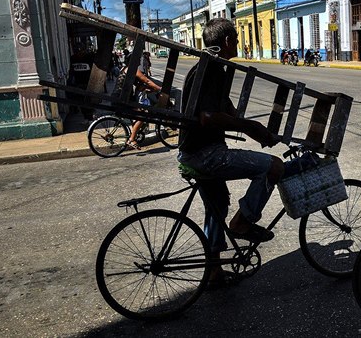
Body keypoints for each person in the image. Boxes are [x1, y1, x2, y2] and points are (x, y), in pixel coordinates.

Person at [177, 18, 284, 286]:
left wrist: (259, 133)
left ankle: (213, 273)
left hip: (193, 152)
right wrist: (251, 126)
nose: (237, 42)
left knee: (217, 206)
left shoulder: (212, 67)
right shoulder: (211, 68)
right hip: (206, 154)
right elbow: (208, 117)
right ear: (226, 42)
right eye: (235, 38)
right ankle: (242, 223)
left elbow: (227, 111)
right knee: (274, 167)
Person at [111, 53, 162, 150]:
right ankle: (132, 139)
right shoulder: (132, 69)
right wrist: (159, 88)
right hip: (121, 100)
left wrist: (150, 89)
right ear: (132, 60)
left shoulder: (125, 69)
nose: (139, 61)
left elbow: (140, 85)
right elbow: (146, 80)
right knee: (143, 115)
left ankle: (133, 135)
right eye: (138, 59)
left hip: (120, 98)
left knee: (138, 112)